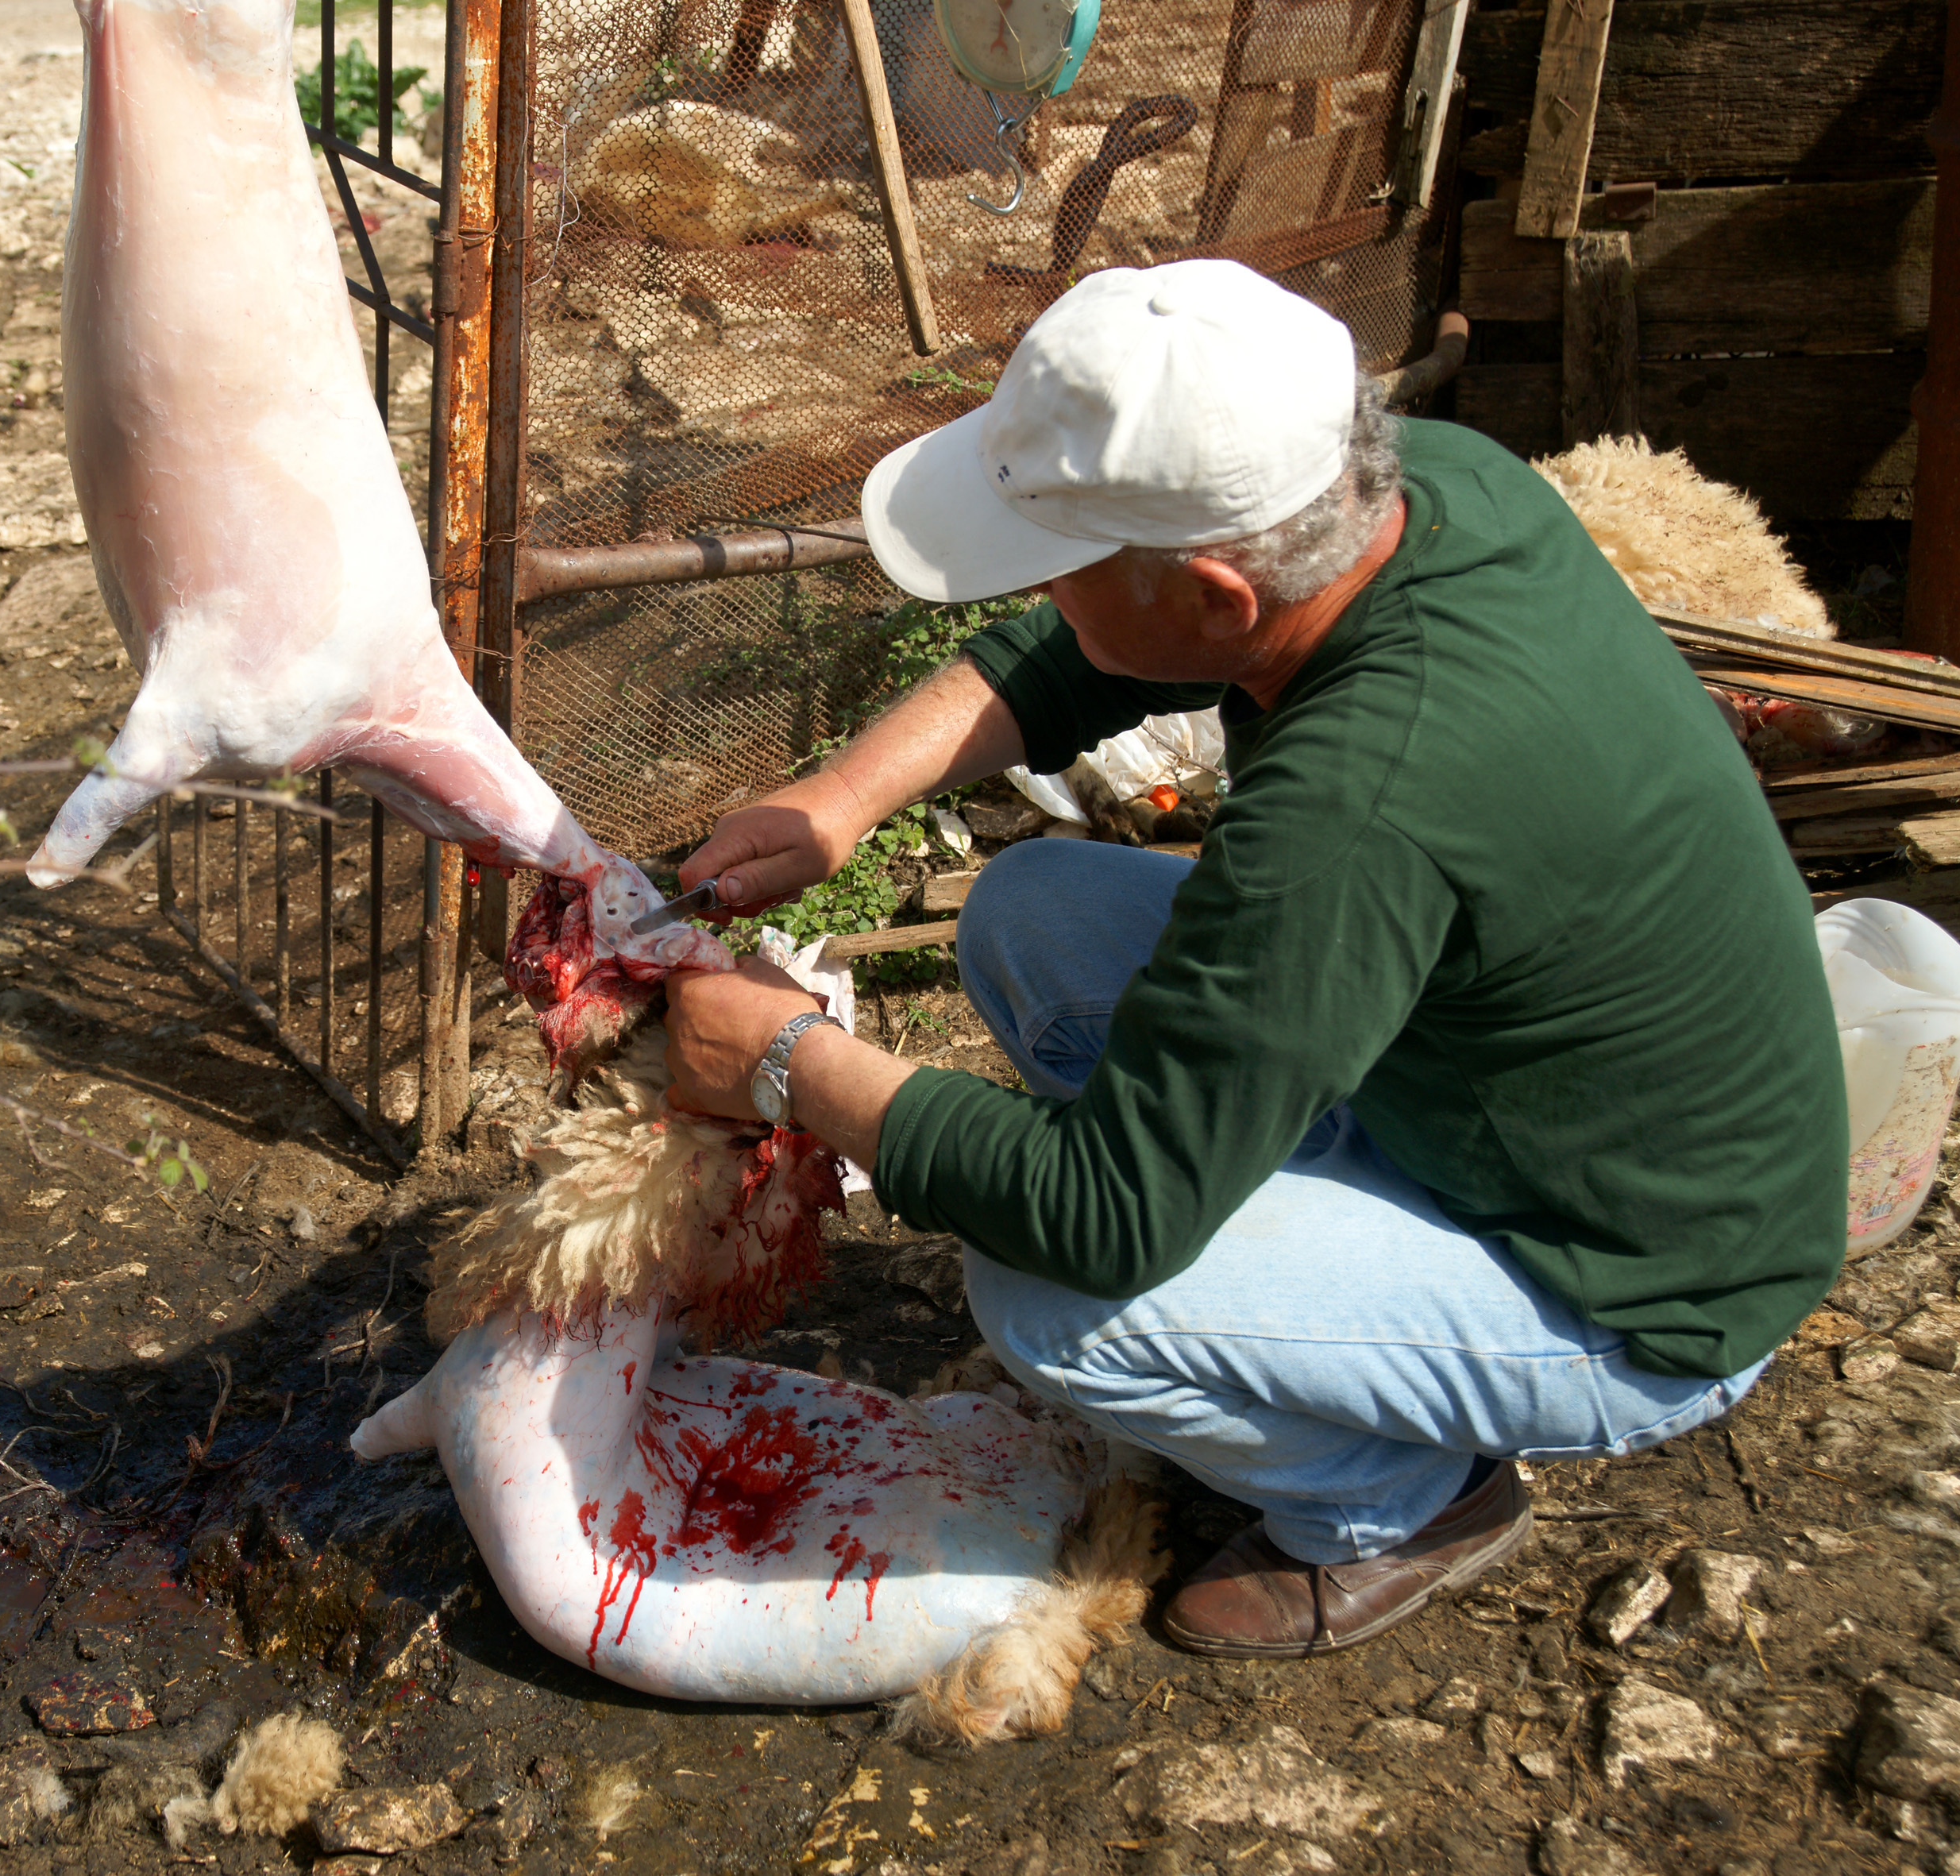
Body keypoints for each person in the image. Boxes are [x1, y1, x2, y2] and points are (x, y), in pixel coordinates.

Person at [660, 259, 1845, 1658]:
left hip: (1633, 1282)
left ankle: (1403, 1502)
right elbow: (1079, 654)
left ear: (1221, 601)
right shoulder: (1427, 491)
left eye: (1063, 558)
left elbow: (1101, 1217)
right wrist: (840, 803)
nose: (1043, 585)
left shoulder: (1360, 803)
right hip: (1527, 1097)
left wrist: (787, 1058)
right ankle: (1289, 1256)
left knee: (1053, 1297)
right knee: (1029, 910)